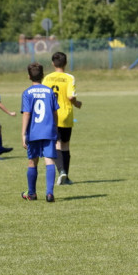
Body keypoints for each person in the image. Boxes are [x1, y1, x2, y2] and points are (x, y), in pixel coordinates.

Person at [20, 62, 59, 202]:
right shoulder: (49, 92)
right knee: (49, 161)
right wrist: (55, 127)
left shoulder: (27, 93)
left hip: (34, 132)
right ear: (43, 75)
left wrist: (23, 133)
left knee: (32, 162)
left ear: (29, 76)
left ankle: (32, 193)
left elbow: (26, 114)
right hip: (48, 131)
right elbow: (55, 112)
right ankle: (49, 193)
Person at [42, 51, 82, 185]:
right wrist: (77, 103)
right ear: (65, 63)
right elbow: (71, 96)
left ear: (53, 63)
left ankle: (61, 172)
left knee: (56, 144)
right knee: (65, 145)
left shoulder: (47, 78)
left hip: (51, 115)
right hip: (65, 115)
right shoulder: (69, 77)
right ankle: (66, 176)